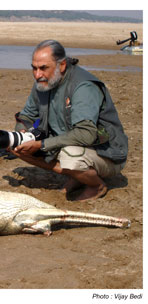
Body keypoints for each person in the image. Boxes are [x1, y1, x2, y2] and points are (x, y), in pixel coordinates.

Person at [10, 40, 128, 202]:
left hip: (107, 153)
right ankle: (76, 176)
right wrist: (22, 133)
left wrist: (41, 145)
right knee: (15, 147)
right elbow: (26, 116)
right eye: (34, 68)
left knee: (69, 156)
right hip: (68, 145)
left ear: (62, 65)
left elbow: (86, 134)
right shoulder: (42, 83)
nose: (37, 74)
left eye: (44, 68)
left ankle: (97, 186)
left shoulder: (83, 87)